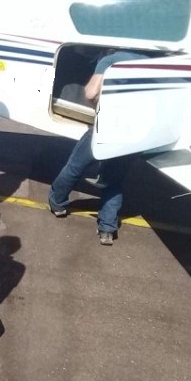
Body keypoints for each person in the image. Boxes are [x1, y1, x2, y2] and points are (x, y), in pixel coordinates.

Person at [48, 51, 149, 245]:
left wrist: (99, 103)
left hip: (108, 127)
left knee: (75, 167)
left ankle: (57, 203)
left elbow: (91, 93)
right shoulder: (158, 64)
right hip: (137, 134)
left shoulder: (111, 59)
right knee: (114, 180)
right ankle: (107, 229)